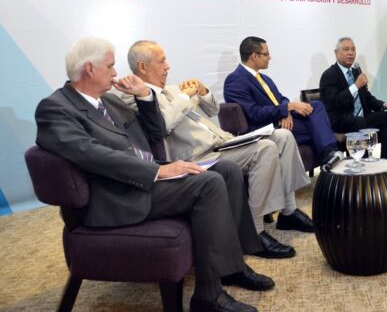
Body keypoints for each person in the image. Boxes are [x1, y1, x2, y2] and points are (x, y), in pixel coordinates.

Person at [35, 37, 272, 312]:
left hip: (139, 181)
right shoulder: (55, 108)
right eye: (110, 66)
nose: (116, 72)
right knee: (208, 184)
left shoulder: (107, 100)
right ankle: (208, 295)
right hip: (115, 194)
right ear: (90, 69)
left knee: (227, 170)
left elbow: (155, 131)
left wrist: (144, 96)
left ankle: (231, 267)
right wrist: (158, 170)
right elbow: (90, 154)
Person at [126, 40, 314, 261]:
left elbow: (213, 109)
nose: (168, 66)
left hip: (221, 142)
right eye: (162, 61)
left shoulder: (174, 89)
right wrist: (185, 97)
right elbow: (162, 125)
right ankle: (254, 232)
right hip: (197, 155)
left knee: (283, 136)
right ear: (143, 66)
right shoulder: (136, 97)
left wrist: (203, 91)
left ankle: (289, 211)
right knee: (265, 148)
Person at [223, 36, 342, 166]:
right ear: (254, 56)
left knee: (316, 106)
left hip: (281, 120)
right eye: (266, 54)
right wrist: (287, 108)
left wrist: (287, 113)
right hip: (267, 128)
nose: (270, 57)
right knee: (320, 126)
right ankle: (330, 154)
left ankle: (330, 153)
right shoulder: (235, 80)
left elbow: (282, 99)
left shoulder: (265, 78)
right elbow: (255, 113)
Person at [319, 37, 387, 159]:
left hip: (361, 118)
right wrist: (355, 86)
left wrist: (383, 105)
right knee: (358, 121)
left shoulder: (356, 72)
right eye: (346, 49)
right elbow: (334, 101)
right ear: (336, 53)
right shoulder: (329, 75)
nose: (350, 53)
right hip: (341, 120)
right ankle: (363, 163)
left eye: (353, 49)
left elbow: (367, 98)